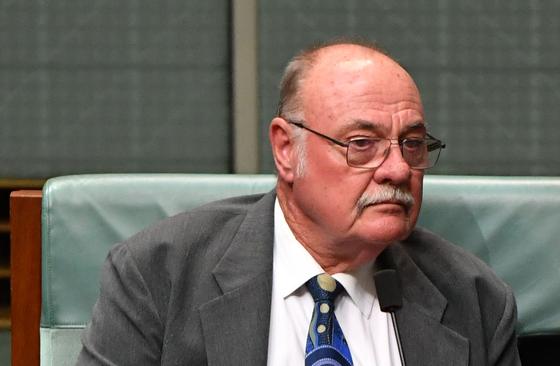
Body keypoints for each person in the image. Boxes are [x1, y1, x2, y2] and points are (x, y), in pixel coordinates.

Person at [77, 40, 521, 365]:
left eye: (412, 143)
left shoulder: (475, 301)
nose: (398, 170)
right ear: (287, 150)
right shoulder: (157, 274)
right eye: (362, 143)